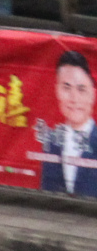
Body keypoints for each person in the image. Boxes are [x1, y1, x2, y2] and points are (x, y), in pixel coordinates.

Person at [37, 50, 97, 197]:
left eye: (81, 89)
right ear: (57, 90)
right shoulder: (52, 142)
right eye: (66, 88)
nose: (74, 98)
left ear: (93, 93)